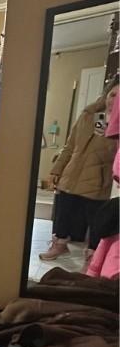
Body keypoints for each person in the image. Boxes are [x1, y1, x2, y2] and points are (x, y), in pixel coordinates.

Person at [40, 75, 119, 260]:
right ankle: (59, 245)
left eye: (119, 96)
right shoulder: (92, 116)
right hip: (72, 175)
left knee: (97, 220)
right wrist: (56, 171)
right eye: (112, 94)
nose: (114, 100)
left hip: (98, 181)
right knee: (63, 213)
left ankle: (93, 256)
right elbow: (70, 146)